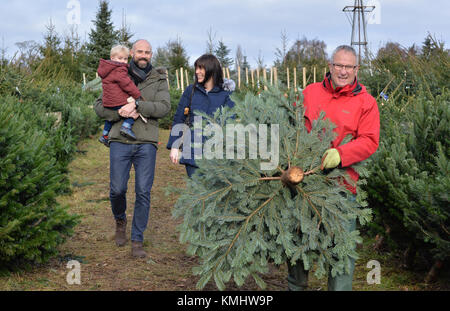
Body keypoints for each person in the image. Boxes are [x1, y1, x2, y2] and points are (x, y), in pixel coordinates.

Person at [287, 45, 380, 291]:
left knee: (341, 255)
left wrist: (341, 154)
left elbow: (370, 141)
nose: (343, 71)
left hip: (342, 187)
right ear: (330, 66)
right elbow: (290, 125)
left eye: (348, 66)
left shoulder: (366, 103)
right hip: (304, 186)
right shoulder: (310, 92)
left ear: (356, 69)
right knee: (297, 247)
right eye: (338, 65)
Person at [94, 39, 171, 258]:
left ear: (151, 53)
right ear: (132, 53)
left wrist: (138, 106)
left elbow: (164, 107)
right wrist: (119, 113)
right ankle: (120, 220)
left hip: (146, 142)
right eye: (139, 51)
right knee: (117, 189)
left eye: (147, 51)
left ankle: (137, 239)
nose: (143, 55)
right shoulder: (117, 71)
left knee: (143, 191)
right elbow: (99, 106)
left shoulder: (159, 78)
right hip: (120, 139)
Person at [167, 54, 235, 178]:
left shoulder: (226, 94)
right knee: (196, 191)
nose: (197, 72)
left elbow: (230, 122)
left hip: (216, 153)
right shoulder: (191, 91)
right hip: (192, 150)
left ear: (211, 69)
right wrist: (174, 146)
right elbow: (179, 118)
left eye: (200, 68)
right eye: (196, 68)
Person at [97, 44, 143, 146]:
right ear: (112, 58)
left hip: (108, 101)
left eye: (125, 59)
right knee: (134, 110)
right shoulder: (119, 69)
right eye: (120, 58)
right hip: (118, 100)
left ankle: (104, 135)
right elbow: (126, 84)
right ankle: (126, 126)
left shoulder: (107, 69)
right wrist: (137, 95)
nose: (123, 61)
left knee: (109, 119)